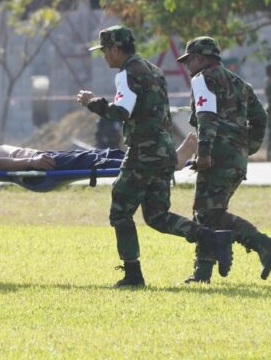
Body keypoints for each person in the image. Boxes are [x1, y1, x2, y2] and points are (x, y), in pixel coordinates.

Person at [76, 25, 233, 288]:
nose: (104, 56)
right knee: (157, 216)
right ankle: (212, 238)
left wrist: (93, 102)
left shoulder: (126, 74)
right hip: (163, 150)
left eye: (105, 50)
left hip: (143, 153)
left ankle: (133, 275)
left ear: (115, 49)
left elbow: (122, 112)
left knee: (120, 211)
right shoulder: (154, 70)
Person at [177, 37, 271, 283]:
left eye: (188, 60)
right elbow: (261, 117)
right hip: (235, 156)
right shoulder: (240, 83)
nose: (187, 65)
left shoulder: (202, 78)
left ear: (200, 59)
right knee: (208, 213)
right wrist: (249, 147)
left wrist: (204, 153)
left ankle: (263, 244)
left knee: (208, 213)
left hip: (216, 155)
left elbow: (206, 116)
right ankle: (202, 272)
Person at [0, 134, 198, 172]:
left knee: (107, 154)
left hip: (39, 155)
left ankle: (168, 161)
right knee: (98, 159)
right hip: (38, 163)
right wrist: (29, 163)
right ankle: (170, 162)